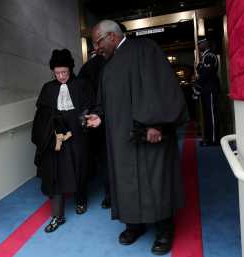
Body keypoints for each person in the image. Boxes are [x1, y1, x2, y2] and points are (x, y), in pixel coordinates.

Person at [86, 20, 188, 255]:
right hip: (121, 140)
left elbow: (159, 86)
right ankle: (135, 225)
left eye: (97, 42)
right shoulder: (107, 66)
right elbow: (107, 102)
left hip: (150, 134)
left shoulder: (145, 48)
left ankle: (164, 230)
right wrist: (99, 117)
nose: (96, 48)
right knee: (127, 183)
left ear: (111, 36)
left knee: (156, 181)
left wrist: (156, 123)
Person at [31, 49, 93, 233]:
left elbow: (90, 108)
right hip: (55, 139)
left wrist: (83, 119)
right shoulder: (47, 88)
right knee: (54, 174)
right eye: (57, 73)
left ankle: (81, 199)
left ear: (70, 70)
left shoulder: (82, 85)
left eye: (64, 72)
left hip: (78, 137)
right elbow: (41, 116)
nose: (61, 76)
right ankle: (57, 216)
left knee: (79, 168)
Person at [77, 50, 111, 208]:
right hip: (114, 119)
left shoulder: (86, 68)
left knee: (104, 161)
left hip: (95, 119)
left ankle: (109, 196)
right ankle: (116, 196)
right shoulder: (112, 62)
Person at [193, 38, 220, 146]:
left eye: (200, 44)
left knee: (212, 116)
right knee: (207, 116)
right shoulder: (205, 56)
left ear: (205, 44)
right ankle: (209, 138)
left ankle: (214, 140)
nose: (198, 46)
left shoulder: (210, 56)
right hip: (206, 90)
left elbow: (205, 74)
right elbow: (201, 70)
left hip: (210, 90)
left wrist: (197, 88)